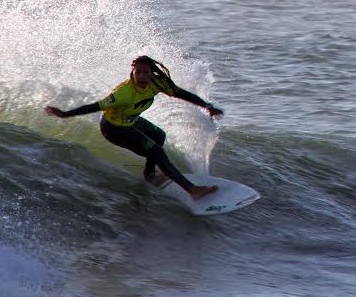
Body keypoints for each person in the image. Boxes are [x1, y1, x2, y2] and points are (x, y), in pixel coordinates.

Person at [45, 56, 224, 201]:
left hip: (130, 121)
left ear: (151, 73)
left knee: (159, 135)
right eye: (137, 72)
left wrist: (206, 105)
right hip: (114, 129)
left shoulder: (158, 82)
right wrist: (65, 114)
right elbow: (96, 106)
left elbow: (180, 93)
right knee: (158, 153)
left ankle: (150, 175)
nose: (141, 76)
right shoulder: (123, 93)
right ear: (133, 73)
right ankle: (193, 190)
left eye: (146, 72)